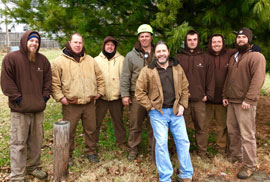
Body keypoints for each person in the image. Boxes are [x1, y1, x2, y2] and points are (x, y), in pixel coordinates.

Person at [136, 41, 193, 182]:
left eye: (164, 51)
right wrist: (150, 107)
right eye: (158, 51)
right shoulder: (147, 70)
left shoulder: (177, 68)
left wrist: (182, 105)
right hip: (158, 113)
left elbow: (185, 88)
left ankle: (186, 174)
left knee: (183, 142)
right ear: (155, 54)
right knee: (161, 143)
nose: (161, 54)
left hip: (176, 111)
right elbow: (139, 93)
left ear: (168, 52)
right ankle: (165, 177)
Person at [1, 31, 51, 181]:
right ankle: (17, 175)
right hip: (19, 110)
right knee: (18, 143)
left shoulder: (43, 61)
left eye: (36, 41)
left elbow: (48, 81)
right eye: (31, 41)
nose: (34, 43)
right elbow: (6, 82)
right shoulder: (11, 58)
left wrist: (44, 98)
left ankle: (33, 167)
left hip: (37, 109)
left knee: (36, 142)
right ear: (24, 41)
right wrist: (19, 99)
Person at [51, 33, 105, 165]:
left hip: (89, 103)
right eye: (75, 42)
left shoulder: (90, 60)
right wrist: (60, 98)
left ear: (83, 44)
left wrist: (99, 92)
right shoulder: (59, 62)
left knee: (91, 129)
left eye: (80, 42)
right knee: (69, 131)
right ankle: (67, 155)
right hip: (71, 104)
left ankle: (91, 152)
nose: (78, 45)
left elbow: (100, 78)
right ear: (69, 43)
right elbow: (54, 83)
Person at [223, 27, 266, 179]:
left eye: (243, 37)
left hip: (245, 103)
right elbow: (229, 78)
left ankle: (250, 165)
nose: (240, 40)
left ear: (249, 40)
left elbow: (258, 79)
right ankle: (237, 157)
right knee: (233, 131)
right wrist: (225, 95)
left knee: (247, 135)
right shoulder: (234, 56)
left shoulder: (256, 57)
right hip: (232, 101)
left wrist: (249, 99)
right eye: (238, 38)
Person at [174, 30, 215, 158]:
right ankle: (181, 152)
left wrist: (208, 94)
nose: (192, 42)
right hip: (182, 101)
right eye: (189, 40)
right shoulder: (178, 58)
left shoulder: (205, 57)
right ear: (186, 42)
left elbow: (211, 77)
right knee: (180, 128)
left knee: (201, 127)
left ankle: (202, 152)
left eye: (194, 39)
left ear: (198, 41)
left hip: (199, 99)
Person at [120, 24, 155, 161]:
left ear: (151, 37)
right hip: (137, 96)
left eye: (147, 36)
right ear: (139, 38)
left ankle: (154, 150)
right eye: (142, 36)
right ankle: (133, 149)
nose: (144, 38)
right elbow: (125, 76)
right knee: (135, 124)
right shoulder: (131, 55)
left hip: (155, 96)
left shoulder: (158, 53)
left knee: (155, 124)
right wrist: (125, 94)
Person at [94, 36, 128, 150]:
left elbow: (124, 78)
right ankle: (92, 144)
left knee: (118, 121)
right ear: (104, 46)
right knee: (96, 122)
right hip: (101, 97)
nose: (110, 47)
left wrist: (124, 94)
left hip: (116, 97)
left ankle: (122, 143)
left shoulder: (121, 59)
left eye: (112, 45)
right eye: (107, 44)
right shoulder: (96, 60)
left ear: (115, 47)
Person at [205, 34, 236, 154]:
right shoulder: (205, 56)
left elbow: (243, 48)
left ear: (223, 43)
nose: (216, 44)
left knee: (221, 127)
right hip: (207, 98)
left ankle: (221, 150)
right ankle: (202, 150)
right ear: (210, 44)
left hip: (223, 99)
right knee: (203, 126)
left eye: (219, 42)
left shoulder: (229, 54)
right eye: (214, 42)